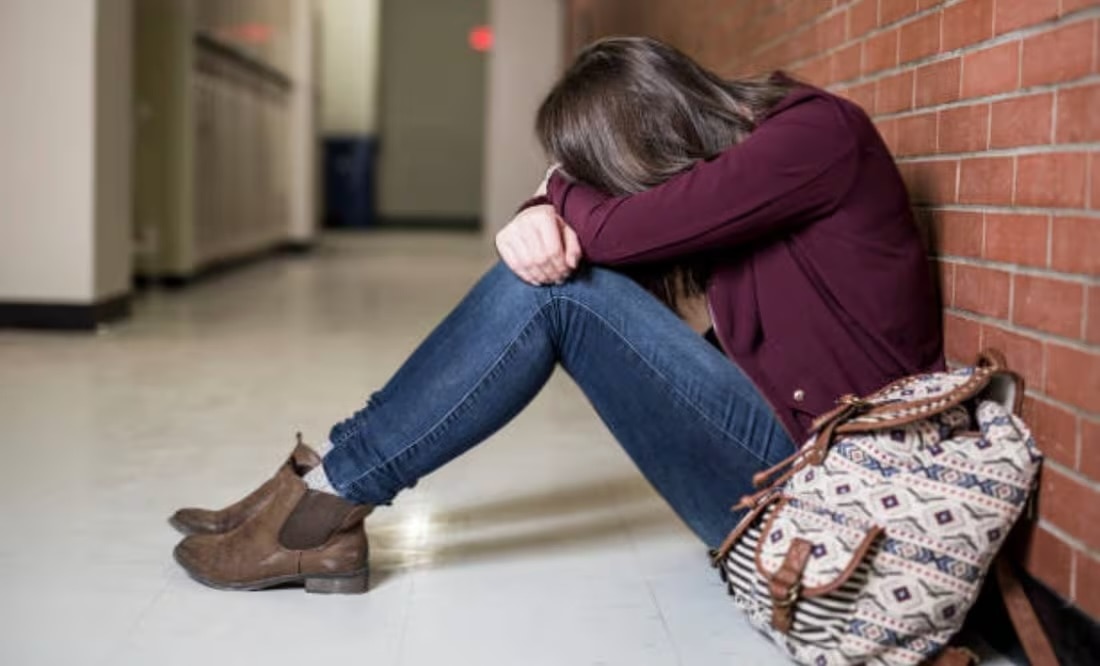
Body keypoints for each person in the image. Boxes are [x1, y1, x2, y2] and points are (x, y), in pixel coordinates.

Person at [170, 37, 944, 594]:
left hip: (828, 499)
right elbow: (603, 235)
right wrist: (546, 207)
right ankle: (322, 487)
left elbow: (605, 235)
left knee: (556, 289)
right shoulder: (749, 165)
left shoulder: (814, 136)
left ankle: (322, 503)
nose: (610, 192)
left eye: (606, 173)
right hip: (778, 471)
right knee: (551, 277)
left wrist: (552, 191)